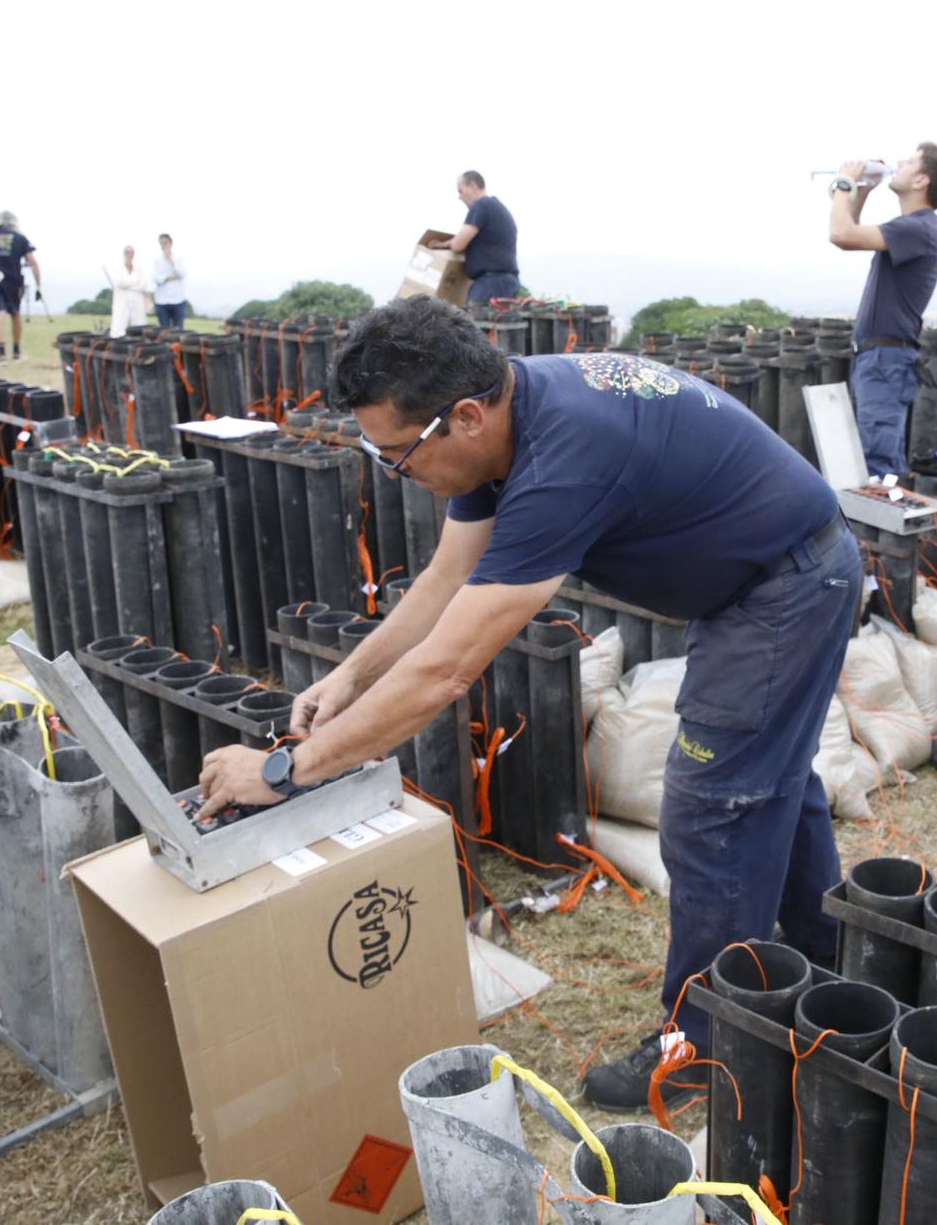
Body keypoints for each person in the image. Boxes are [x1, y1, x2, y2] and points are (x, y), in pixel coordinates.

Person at [190, 296, 859, 1111]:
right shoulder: (506, 422)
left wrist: (285, 771)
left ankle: (706, 1042)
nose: (397, 472)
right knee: (772, 776)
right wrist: (352, 675)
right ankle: (829, 954)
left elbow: (446, 671)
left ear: (462, 417)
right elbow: (445, 582)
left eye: (399, 456)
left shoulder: (564, 461)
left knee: (713, 804)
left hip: (786, 587)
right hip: (772, 573)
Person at [828, 143, 937, 479]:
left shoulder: (920, 228)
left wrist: (843, 184)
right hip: (880, 359)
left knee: (878, 467)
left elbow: (841, 234)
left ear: (921, 181)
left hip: (886, 361)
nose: (900, 163)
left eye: (911, 161)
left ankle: (884, 531)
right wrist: (864, 192)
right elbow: (852, 230)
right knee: (872, 458)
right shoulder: (914, 229)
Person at [445, 171, 519, 305]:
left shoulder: (481, 206)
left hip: (490, 284)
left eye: (460, 191)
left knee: (474, 324)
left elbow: (457, 245)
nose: (459, 197)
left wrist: (443, 244)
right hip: (509, 283)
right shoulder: (500, 208)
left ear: (472, 185)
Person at [0, 211, 42, 363]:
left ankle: (2, 355)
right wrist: (39, 286)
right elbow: (33, 262)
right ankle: (16, 352)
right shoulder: (20, 238)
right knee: (15, 314)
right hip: (14, 282)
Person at [110, 245, 154, 334]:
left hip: (137, 303)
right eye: (127, 253)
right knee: (119, 328)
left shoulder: (139, 270)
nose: (129, 255)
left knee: (138, 326)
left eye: (131, 253)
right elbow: (119, 283)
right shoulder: (117, 269)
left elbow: (143, 285)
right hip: (122, 303)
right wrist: (134, 284)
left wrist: (127, 286)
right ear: (124, 254)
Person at [152, 233, 186, 329]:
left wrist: (170, 260)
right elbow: (155, 278)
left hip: (177, 299)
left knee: (178, 329)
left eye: (165, 243)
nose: (163, 246)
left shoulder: (178, 258)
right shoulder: (156, 260)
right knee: (164, 329)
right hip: (161, 300)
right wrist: (170, 278)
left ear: (170, 243)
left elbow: (181, 273)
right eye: (161, 243)